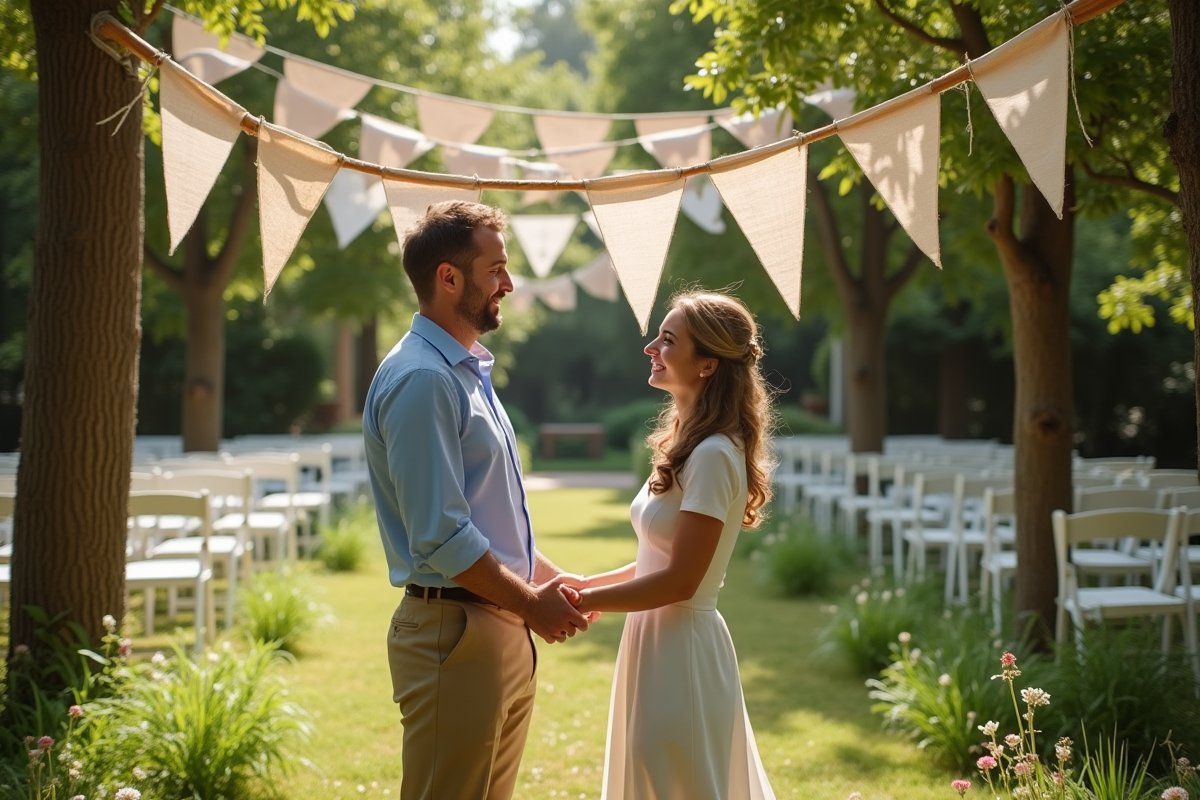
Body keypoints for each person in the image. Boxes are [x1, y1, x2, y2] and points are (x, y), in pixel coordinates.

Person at [363, 200, 590, 800]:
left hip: (494, 623)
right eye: (496, 269)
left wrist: (550, 583)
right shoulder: (424, 379)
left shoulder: (465, 373)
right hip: (454, 630)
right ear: (449, 277)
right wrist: (532, 606)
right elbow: (441, 534)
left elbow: (488, 515)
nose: (508, 285)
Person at [573, 289, 779, 800]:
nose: (651, 347)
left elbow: (682, 579)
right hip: (651, 640)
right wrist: (583, 585)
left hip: (682, 648)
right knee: (649, 774)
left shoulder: (713, 455)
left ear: (707, 364)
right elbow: (656, 558)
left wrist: (584, 603)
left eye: (667, 339)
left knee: (675, 779)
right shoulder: (687, 445)